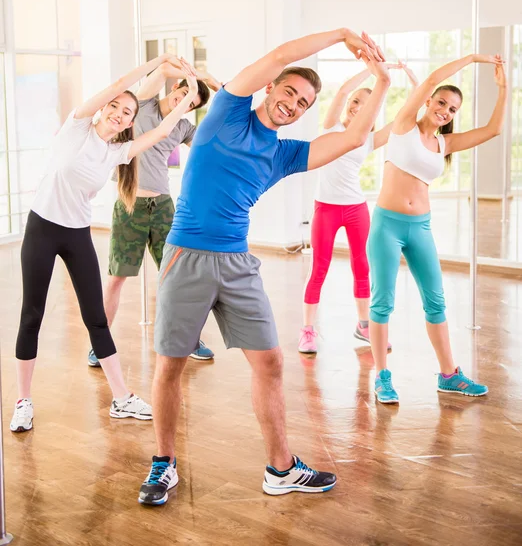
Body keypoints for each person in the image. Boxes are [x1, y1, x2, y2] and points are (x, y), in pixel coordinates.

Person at [138, 28, 390, 506]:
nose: (293, 104)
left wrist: (381, 81)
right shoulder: (226, 114)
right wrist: (340, 36)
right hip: (186, 255)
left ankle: (281, 468)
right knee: (170, 365)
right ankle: (163, 464)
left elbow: (356, 136)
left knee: (270, 362)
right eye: (289, 91)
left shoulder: (285, 153)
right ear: (270, 88)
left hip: (237, 262)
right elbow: (278, 54)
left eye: (304, 103)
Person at [10, 56, 200, 433]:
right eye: (115, 106)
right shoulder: (77, 127)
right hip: (42, 228)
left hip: (77, 233)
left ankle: (122, 398)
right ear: (104, 109)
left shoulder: (118, 153)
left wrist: (191, 92)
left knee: (96, 317)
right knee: (32, 313)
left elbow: (162, 132)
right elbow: (117, 85)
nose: (119, 112)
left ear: (130, 123)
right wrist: (157, 63)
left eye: (127, 112)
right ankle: (23, 400)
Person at [368, 53, 507, 404]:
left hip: (421, 227)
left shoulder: (445, 143)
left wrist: (505, 89)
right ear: (428, 102)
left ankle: (449, 376)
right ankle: (382, 377)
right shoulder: (403, 126)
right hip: (387, 224)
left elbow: (493, 129)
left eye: (453, 109)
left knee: (436, 302)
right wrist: (474, 58)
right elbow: (431, 79)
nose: (445, 110)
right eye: (442, 102)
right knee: (383, 302)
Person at [86, 57, 221, 368]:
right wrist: (196, 74)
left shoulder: (183, 126)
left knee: (176, 276)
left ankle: (189, 339)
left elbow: (213, 139)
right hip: (130, 204)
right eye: (182, 98)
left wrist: (214, 84)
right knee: (117, 278)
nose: (183, 106)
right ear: (176, 88)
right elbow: (160, 70)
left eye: (189, 105)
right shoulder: (143, 104)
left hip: (162, 207)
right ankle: (99, 343)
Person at [298, 61, 418, 354]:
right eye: (355, 102)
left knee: (362, 267)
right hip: (326, 208)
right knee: (319, 268)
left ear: (372, 112)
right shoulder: (331, 127)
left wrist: (417, 87)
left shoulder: (370, 139)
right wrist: (375, 70)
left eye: (364, 105)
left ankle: (363, 325)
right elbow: (342, 90)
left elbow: (406, 117)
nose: (355, 107)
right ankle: (308, 330)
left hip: (356, 208)